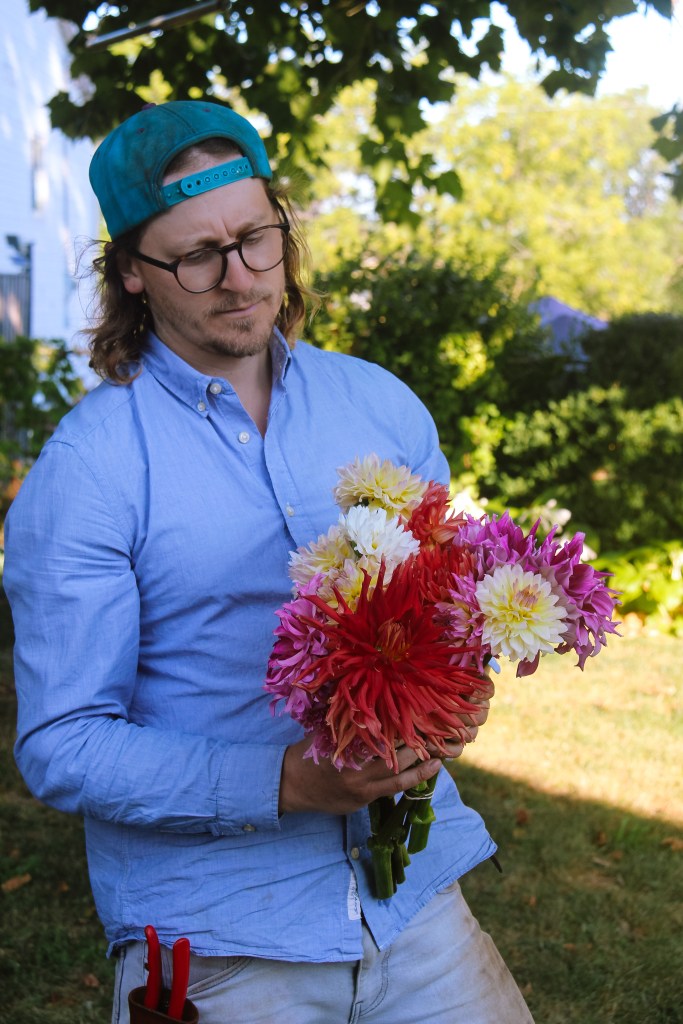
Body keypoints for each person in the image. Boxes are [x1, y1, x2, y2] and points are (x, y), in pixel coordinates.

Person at [4, 100, 534, 1024]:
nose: (240, 277)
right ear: (130, 271)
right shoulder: (89, 468)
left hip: (415, 910)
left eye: (256, 238)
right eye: (196, 256)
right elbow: (63, 743)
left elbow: (449, 615)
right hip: (220, 944)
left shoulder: (379, 406)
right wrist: (284, 782)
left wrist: (452, 697)